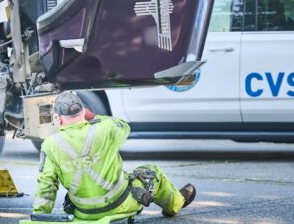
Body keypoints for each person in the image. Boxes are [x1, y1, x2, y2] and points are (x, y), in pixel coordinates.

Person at [33, 92, 196, 220]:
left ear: (59, 119)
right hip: (122, 204)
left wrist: (40, 215)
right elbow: (124, 127)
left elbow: (47, 186)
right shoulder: (105, 128)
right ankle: (175, 204)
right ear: (84, 112)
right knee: (153, 172)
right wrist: (95, 117)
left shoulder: (50, 144)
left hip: (84, 213)